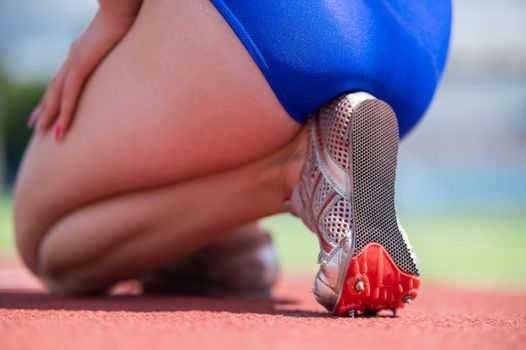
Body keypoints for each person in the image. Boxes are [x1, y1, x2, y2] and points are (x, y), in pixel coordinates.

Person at [13, 0, 451, 316]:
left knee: (48, 245)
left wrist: (114, 14)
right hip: (417, 44)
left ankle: (297, 170)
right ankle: (219, 242)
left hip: (273, 28)